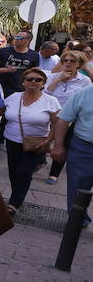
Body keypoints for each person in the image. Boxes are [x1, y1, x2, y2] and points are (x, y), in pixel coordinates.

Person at [2, 68, 61, 215]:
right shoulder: (14, 97)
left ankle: (14, 203)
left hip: (37, 143)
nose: (33, 82)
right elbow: (0, 110)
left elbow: (57, 124)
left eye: (38, 80)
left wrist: (49, 141)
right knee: (14, 171)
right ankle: (17, 195)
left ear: (43, 83)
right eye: (29, 79)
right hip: (12, 140)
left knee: (24, 171)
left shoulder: (50, 101)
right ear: (23, 82)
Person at [44, 50, 91, 185]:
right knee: (44, 141)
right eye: (65, 60)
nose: (68, 63)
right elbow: (45, 94)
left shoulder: (85, 81)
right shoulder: (53, 76)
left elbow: (85, 100)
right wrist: (58, 80)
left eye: (72, 61)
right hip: (50, 115)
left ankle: (54, 173)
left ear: (79, 64)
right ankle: (40, 160)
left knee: (62, 143)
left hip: (69, 119)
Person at [51, 79, 93, 227]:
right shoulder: (83, 93)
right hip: (84, 148)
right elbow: (63, 120)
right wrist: (58, 146)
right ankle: (76, 221)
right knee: (78, 187)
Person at [0, 30, 40, 144]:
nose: (16, 39)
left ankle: (0, 140)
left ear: (28, 40)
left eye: (20, 38)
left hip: (18, 90)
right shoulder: (3, 51)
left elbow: (35, 73)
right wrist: (6, 70)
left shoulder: (33, 55)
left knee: (9, 115)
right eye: (16, 37)